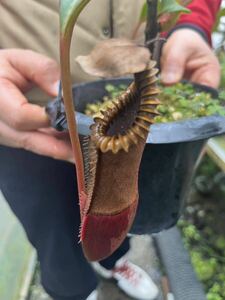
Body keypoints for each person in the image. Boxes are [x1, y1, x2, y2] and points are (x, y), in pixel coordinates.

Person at [0, 1, 221, 300]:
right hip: (27, 110)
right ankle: (75, 292)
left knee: (113, 239)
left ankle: (115, 264)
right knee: (54, 234)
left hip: (127, 71)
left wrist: (190, 24)